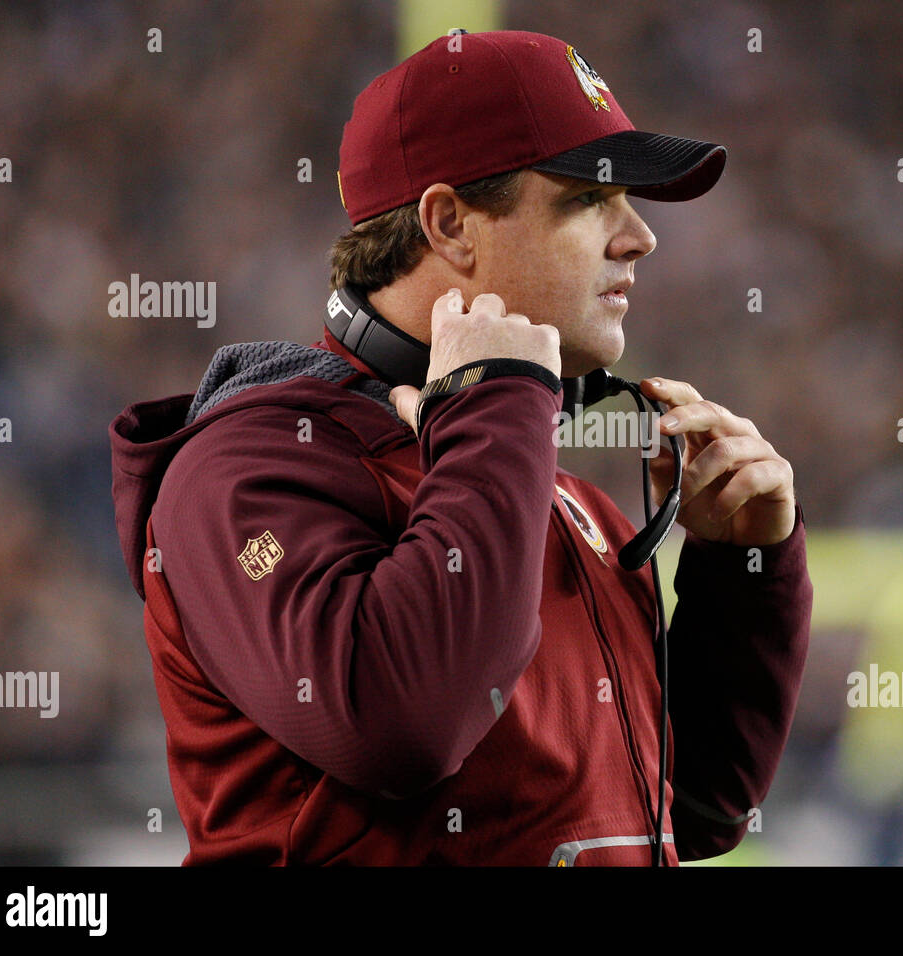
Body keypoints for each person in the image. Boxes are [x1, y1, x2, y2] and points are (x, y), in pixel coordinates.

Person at [109, 28, 812, 866]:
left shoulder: (549, 489)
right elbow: (402, 726)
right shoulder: (247, 473)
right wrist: (501, 406)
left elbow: (686, 807)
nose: (639, 237)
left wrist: (742, 572)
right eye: (589, 199)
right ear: (449, 225)